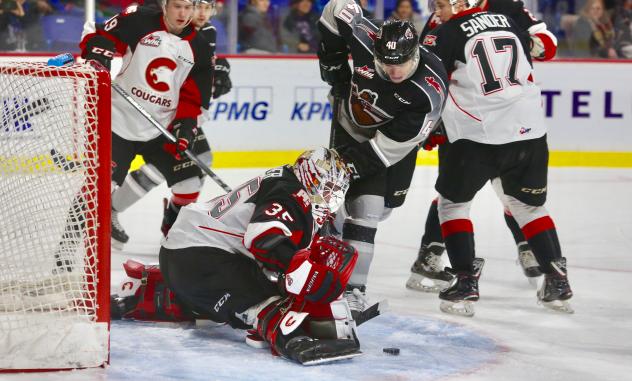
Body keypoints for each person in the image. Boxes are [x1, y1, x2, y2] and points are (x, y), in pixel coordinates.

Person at [111, 148, 362, 365]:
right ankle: (289, 336)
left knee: (257, 286)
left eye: (337, 191)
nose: (332, 198)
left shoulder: (287, 182)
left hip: (187, 256)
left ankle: (158, 294)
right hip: (200, 256)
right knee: (269, 301)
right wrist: (305, 275)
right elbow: (264, 239)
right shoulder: (291, 193)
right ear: (310, 175)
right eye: (328, 189)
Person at [420, 0, 573, 316]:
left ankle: (464, 282)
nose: (437, 8)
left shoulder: (445, 32)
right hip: (529, 131)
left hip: (476, 135)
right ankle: (556, 280)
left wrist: (430, 127)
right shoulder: (509, 21)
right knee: (527, 205)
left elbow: (430, 84)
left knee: (452, 204)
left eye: (442, 3)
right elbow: (534, 47)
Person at [317, 0, 447, 317]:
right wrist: (334, 68)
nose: (393, 70)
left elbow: (382, 152)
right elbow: (335, 8)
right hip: (352, 127)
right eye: (386, 63)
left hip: (393, 143)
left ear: (415, 52)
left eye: (401, 63)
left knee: (387, 206)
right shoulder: (365, 33)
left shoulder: (427, 90)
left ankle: (330, 226)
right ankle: (353, 290)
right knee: (367, 211)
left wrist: (348, 166)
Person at [79, 0, 213, 248]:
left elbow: (194, 99)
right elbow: (98, 32)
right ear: (164, 5)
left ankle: (173, 237)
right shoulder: (139, 20)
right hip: (119, 122)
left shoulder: (201, 49)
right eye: (177, 6)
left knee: (190, 180)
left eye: (187, 7)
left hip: (160, 129)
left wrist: (186, 125)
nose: (182, 13)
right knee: (98, 189)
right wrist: (100, 50)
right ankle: (66, 248)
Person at [109, 0, 233, 249]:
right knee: (184, 166)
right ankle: (112, 210)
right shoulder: (155, 20)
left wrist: (219, 73)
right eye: (193, 6)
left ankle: (172, 226)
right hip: (153, 116)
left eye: (204, 8)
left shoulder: (206, 33)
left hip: (179, 117)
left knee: (195, 168)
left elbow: (198, 76)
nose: (198, 13)